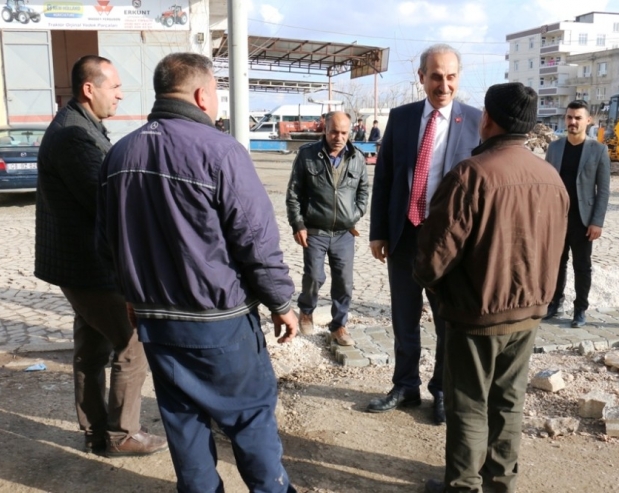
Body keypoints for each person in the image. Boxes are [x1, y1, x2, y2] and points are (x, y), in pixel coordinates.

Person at [96, 52, 298, 493]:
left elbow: (106, 245)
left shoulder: (119, 154)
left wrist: (133, 297)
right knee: (249, 420)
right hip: (219, 325)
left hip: (158, 325)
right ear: (203, 95)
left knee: (184, 426)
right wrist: (282, 302)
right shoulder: (222, 151)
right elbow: (256, 241)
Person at [415, 82, 569, 493]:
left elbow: (434, 254)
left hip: (475, 313)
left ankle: (462, 486)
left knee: (468, 404)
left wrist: (429, 282)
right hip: (528, 313)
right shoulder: (550, 177)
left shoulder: (472, 174)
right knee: (508, 402)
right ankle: (501, 483)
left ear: (488, 120)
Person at [34, 55, 168, 456]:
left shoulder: (82, 126)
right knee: (132, 342)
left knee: (91, 349)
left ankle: (95, 433)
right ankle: (122, 433)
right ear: (89, 89)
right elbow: (106, 202)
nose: (122, 95)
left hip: (80, 265)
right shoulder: (74, 135)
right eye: (115, 87)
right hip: (88, 267)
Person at [368, 43, 482, 425]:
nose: (443, 85)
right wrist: (379, 232)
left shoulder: (477, 122)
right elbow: (383, 178)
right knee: (404, 316)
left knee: (447, 320)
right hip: (404, 235)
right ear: (421, 78)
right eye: (436, 76)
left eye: (450, 76)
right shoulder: (401, 119)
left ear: (458, 78)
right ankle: (405, 385)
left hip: (449, 244)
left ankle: (443, 391)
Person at [285, 111, 369, 346]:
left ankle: (339, 325)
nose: (339, 137)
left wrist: (356, 213)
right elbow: (293, 193)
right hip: (315, 231)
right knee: (313, 276)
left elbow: (364, 191)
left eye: (344, 132)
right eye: (334, 131)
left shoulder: (357, 158)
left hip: (344, 233)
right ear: (325, 129)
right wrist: (298, 223)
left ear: (349, 132)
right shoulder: (307, 155)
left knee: (344, 281)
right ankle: (306, 310)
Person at [543, 99, 611, 328]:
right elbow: (546, 184)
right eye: (569, 117)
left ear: (588, 121)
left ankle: (580, 309)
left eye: (578, 118)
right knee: (556, 263)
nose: (573, 122)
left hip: (583, 219)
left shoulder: (598, 150)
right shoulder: (554, 148)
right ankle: (555, 303)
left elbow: (603, 190)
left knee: (582, 266)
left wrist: (597, 222)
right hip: (557, 218)